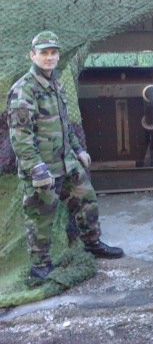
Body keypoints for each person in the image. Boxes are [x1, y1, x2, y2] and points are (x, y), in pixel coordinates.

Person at [7, 31, 123, 285]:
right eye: (44, 53)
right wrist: (37, 169)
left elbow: (65, 124)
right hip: (42, 168)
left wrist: (78, 150)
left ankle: (92, 244)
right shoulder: (24, 91)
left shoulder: (56, 84)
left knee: (87, 200)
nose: (49, 57)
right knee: (40, 217)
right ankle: (40, 267)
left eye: (53, 53)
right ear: (32, 55)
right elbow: (21, 138)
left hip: (67, 161)